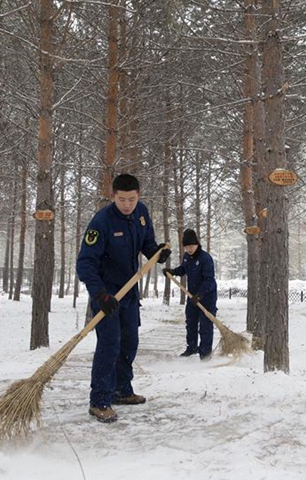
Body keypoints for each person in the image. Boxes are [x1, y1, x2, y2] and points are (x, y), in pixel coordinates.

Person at [76, 173, 171, 423]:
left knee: (129, 342)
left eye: (131, 199)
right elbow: (85, 263)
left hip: (128, 291)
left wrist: (156, 253)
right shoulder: (101, 222)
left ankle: (121, 390)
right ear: (113, 196)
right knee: (110, 345)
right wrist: (100, 294)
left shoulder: (141, 213)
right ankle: (99, 401)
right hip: (107, 293)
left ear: (138, 195)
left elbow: (147, 243)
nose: (127, 204)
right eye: (121, 200)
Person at [163, 228, 218, 361]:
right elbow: (183, 269)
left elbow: (209, 280)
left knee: (205, 325)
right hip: (192, 296)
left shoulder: (205, 259)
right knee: (191, 322)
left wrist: (200, 295)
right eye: (186, 247)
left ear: (197, 244)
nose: (189, 249)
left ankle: (205, 353)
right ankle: (192, 347)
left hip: (207, 297)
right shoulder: (187, 257)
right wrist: (173, 271)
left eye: (191, 246)